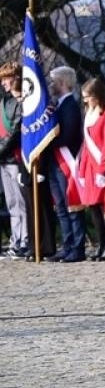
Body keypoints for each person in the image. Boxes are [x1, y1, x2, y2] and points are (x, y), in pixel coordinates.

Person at [73, 77, 105, 261]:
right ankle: (102, 244)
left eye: (88, 96)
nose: (86, 100)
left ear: (97, 95)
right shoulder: (89, 113)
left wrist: (102, 169)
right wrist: (83, 169)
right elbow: (86, 145)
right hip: (89, 167)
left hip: (102, 166)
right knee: (93, 207)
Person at [43, 66, 86, 262]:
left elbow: (68, 135)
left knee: (72, 206)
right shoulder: (57, 105)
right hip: (55, 160)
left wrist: (49, 141)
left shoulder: (70, 106)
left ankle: (77, 248)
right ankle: (67, 245)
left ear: (62, 82)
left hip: (66, 160)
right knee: (60, 206)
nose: (50, 85)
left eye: (53, 81)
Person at [0, 64, 32, 258]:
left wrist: (1, 151)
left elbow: (15, 131)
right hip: (4, 159)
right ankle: (16, 239)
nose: (3, 83)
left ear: (16, 78)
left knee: (21, 203)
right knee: (11, 203)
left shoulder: (24, 102)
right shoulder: (6, 102)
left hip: (15, 157)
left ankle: (25, 240)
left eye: (6, 79)